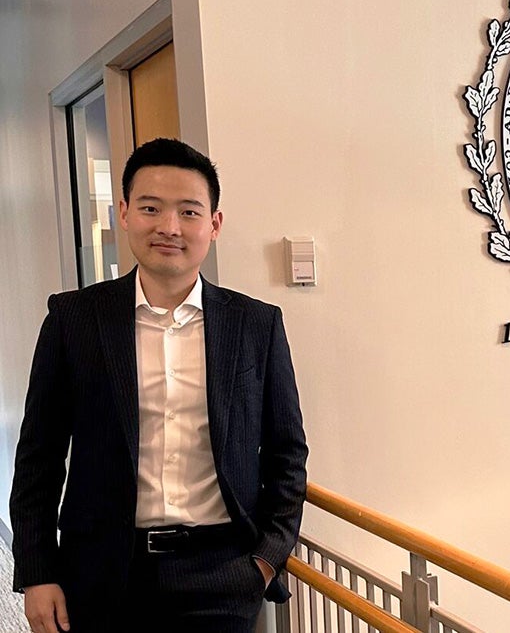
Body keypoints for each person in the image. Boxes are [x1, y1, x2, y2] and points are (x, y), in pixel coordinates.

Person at [10, 138, 308, 633]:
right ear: (124, 213)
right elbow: (38, 456)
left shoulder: (257, 325)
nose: (169, 227)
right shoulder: (74, 319)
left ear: (213, 224)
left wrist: (264, 560)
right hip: (101, 571)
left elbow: (287, 451)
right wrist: (38, 572)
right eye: (151, 208)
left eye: (189, 212)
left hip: (222, 575)